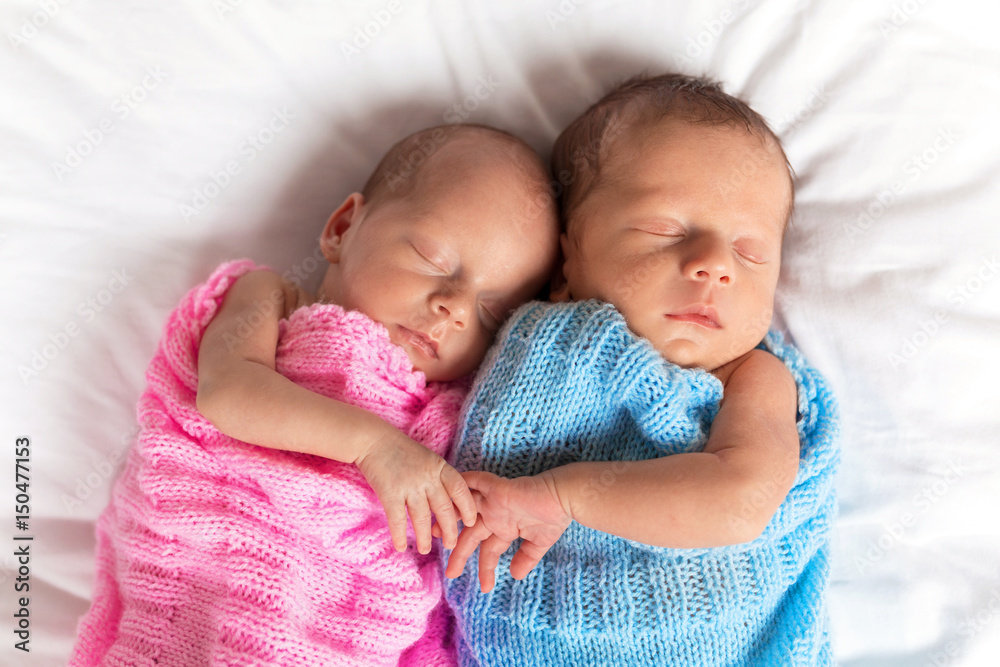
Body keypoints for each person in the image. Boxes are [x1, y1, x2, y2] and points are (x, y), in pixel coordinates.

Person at [70, 123, 560, 666]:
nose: (456, 308)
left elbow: (453, 536)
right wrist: (376, 448)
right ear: (343, 227)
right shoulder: (270, 298)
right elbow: (228, 393)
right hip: (211, 562)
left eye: (492, 312)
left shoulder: (460, 406)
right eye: (433, 259)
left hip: (339, 620)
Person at [440, 74, 840, 666]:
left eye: (751, 251)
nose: (713, 266)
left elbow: (741, 502)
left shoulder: (753, 379)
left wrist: (562, 498)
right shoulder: (528, 336)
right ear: (566, 256)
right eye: (667, 229)